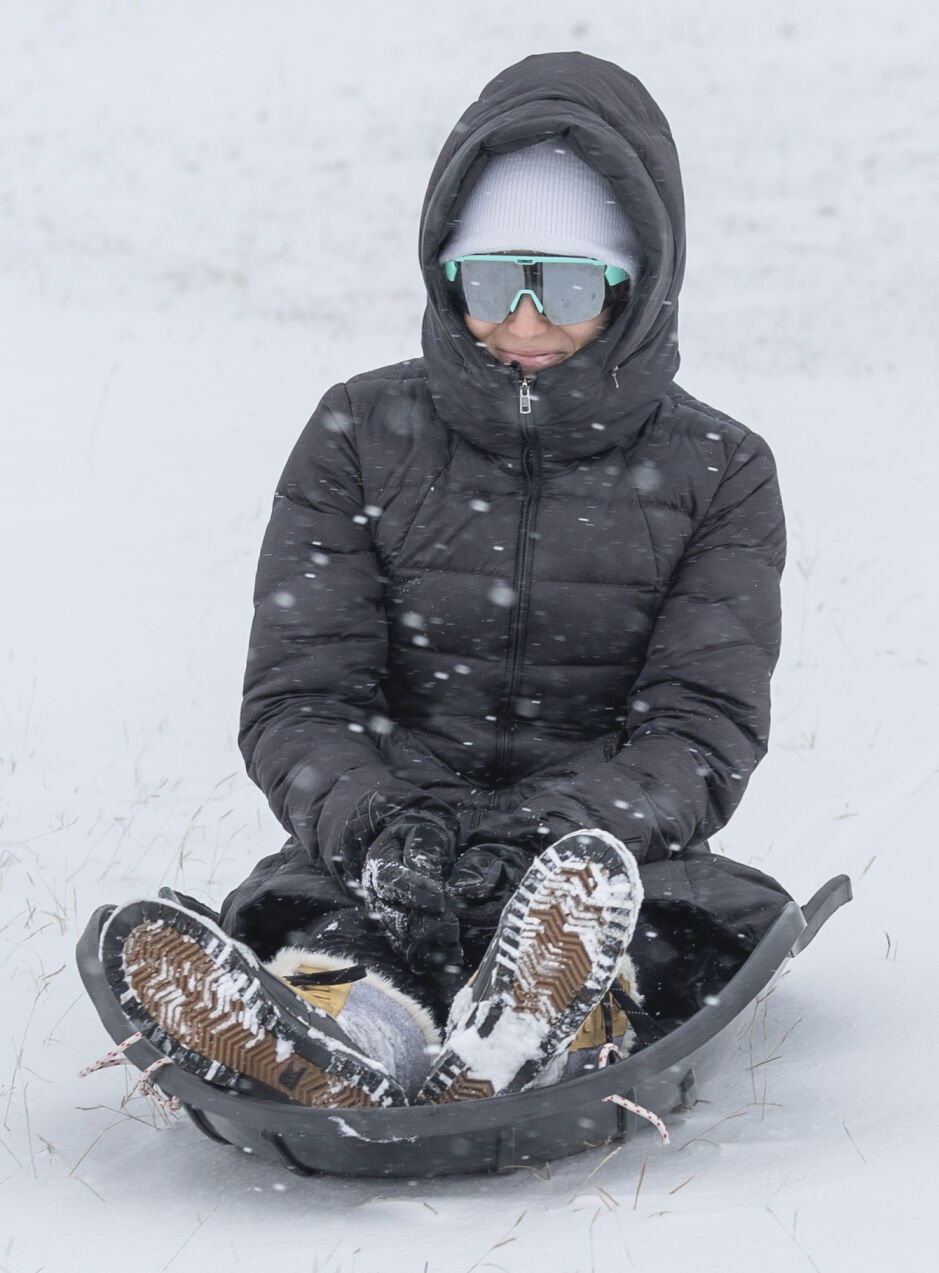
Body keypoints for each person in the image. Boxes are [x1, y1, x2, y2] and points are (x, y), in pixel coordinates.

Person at [97, 52, 795, 1109]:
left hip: (603, 855)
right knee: (334, 920)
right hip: (387, 833)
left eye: (561, 285)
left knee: (647, 925)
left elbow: (699, 728)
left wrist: (552, 830)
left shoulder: (717, 469)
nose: (520, 322)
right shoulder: (360, 433)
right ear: (444, 275)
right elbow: (300, 697)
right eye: (488, 281)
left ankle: (548, 1019)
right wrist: (383, 824)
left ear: (632, 284)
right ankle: (344, 1041)